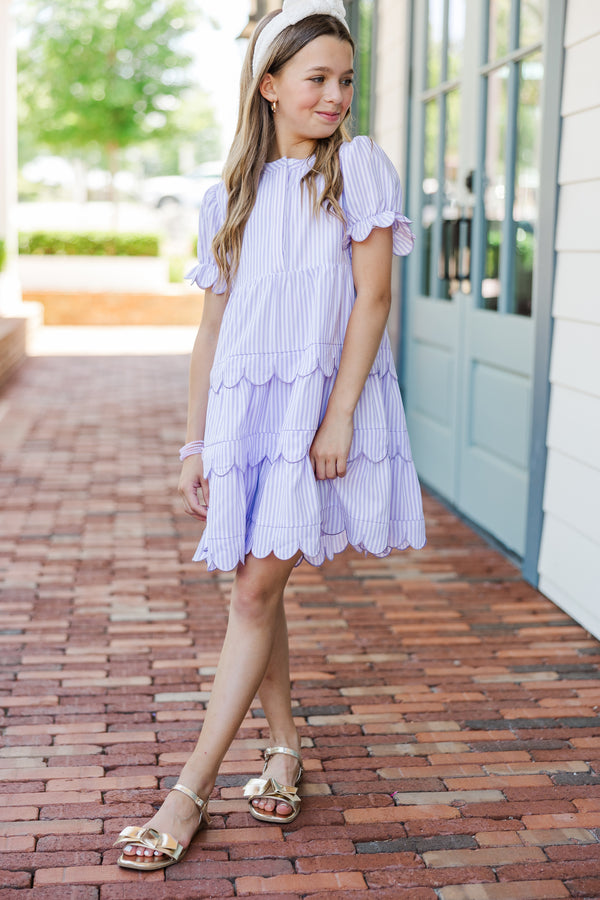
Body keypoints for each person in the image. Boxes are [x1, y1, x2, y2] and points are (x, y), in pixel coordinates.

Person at [114, 0, 425, 871]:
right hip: (247, 417)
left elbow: (373, 300)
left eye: (347, 80)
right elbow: (210, 333)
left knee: (251, 591)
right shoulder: (230, 194)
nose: (337, 97)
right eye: (319, 79)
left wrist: (340, 415)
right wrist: (193, 442)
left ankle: (190, 791)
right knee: (258, 577)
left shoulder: (356, 169)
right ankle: (284, 749)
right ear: (270, 87)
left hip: (315, 414)